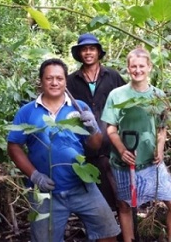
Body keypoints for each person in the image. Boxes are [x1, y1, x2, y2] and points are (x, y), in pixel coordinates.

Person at [7, 58, 120, 242]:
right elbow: (13, 146)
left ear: (65, 81)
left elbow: (95, 145)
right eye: (49, 78)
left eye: (59, 78)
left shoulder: (78, 107)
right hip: (46, 192)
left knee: (108, 232)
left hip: (81, 185)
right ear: (41, 81)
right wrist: (35, 176)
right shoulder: (27, 111)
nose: (54, 82)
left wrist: (92, 128)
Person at [101, 47, 171, 242]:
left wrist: (160, 149)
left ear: (149, 67)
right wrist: (121, 150)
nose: (137, 70)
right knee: (124, 206)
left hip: (151, 163)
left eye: (141, 66)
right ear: (128, 68)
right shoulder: (117, 95)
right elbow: (110, 128)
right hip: (124, 163)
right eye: (133, 66)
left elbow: (162, 127)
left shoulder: (158, 95)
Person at [67, 33, 126, 210]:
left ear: (98, 52)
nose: (88, 53)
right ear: (79, 54)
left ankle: (127, 234)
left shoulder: (113, 76)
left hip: (113, 146)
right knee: (97, 199)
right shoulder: (71, 81)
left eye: (92, 49)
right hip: (87, 148)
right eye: (84, 49)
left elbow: (126, 103)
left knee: (122, 196)